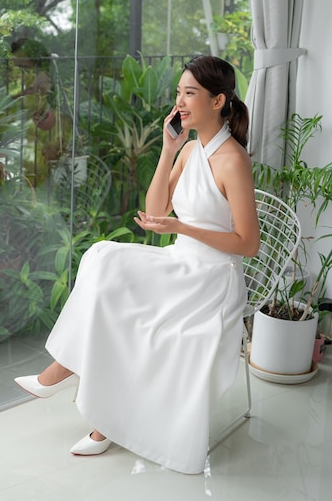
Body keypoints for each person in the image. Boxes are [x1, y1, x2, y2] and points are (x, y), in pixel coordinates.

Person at [15, 54, 260, 475]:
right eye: (179, 92)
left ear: (218, 101)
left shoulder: (232, 160)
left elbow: (248, 244)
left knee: (130, 308)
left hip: (212, 278)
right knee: (103, 256)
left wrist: (183, 226)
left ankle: (85, 395)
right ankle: (81, 386)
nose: (180, 102)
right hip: (180, 262)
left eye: (190, 93)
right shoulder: (191, 150)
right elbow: (155, 210)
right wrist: (169, 150)